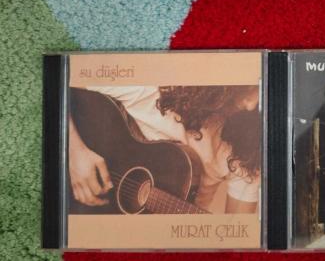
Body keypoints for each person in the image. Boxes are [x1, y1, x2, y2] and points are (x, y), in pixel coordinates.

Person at [68, 85, 261, 214]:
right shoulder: (150, 91)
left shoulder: (247, 157)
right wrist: (74, 152)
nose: (252, 105)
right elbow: (60, 80)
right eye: (249, 89)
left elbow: (237, 245)